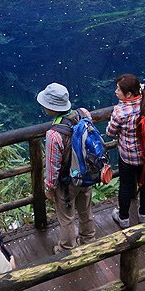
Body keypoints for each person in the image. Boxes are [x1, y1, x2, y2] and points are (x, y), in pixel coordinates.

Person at [37, 82, 95, 254]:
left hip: (67, 182)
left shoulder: (54, 134)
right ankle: (89, 240)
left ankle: (67, 247)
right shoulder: (84, 113)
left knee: (66, 217)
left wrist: (49, 187)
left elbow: (53, 166)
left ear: (52, 107)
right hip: (86, 174)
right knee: (86, 210)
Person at [106, 74, 145, 228]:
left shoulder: (120, 111)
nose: (115, 92)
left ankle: (124, 218)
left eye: (118, 90)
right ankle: (143, 215)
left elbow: (110, 133)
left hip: (128, 156)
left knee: (126, 186)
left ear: (128, 94)